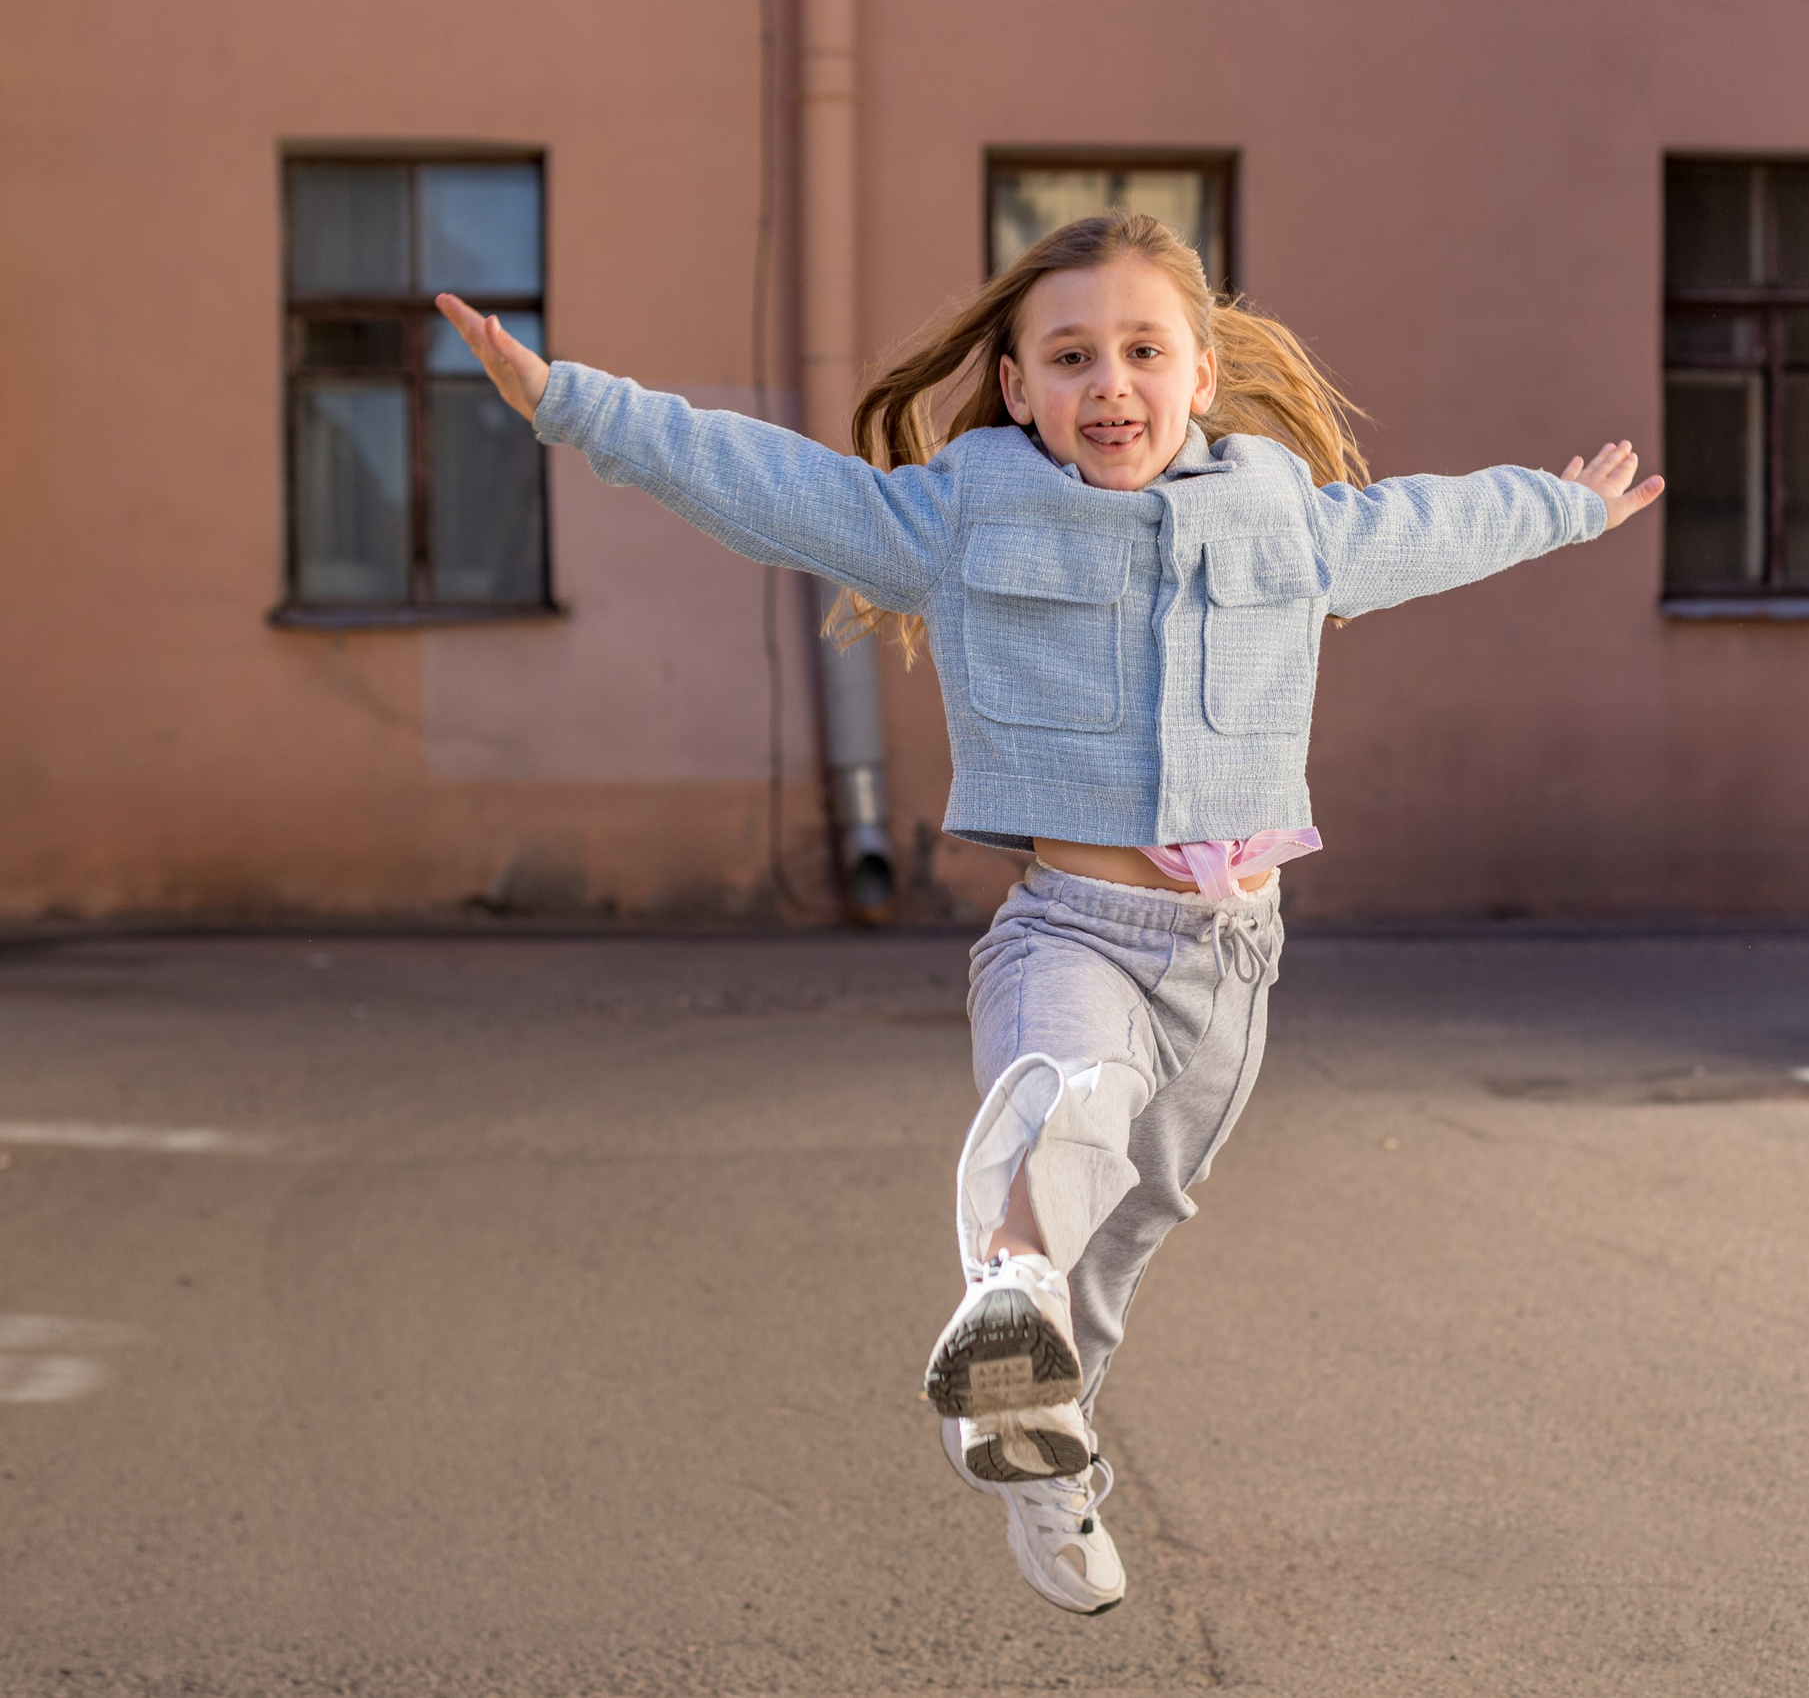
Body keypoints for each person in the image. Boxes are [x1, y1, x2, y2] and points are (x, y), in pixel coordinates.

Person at [435, 210, 1662, 1615]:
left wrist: (1567, 507)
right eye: (1070, 357)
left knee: (1130, 1225)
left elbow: (1429, 525)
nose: (1110, 383)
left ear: (1202, 376)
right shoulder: (961, 512)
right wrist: (572, 404)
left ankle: (1044, 1461)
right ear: (1018, 389)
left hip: (1233, 966)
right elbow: (763, 483)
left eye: (1144, 351)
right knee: (1064, 1098)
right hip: (1075, 928)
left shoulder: (1286, 518)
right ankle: (1007, 1296)